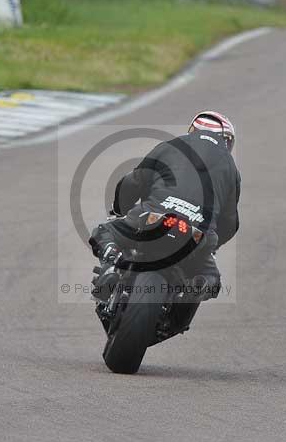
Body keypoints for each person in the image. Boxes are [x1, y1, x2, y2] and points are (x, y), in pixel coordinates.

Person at [89, 111, 241, 303]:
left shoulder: (170, 146)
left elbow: (133, 182)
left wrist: (120, 209)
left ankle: (111, 259)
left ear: (193, 129)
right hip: (197, 231)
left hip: (153, 216)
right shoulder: (231, 170)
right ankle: (198, 286)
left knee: (104, 231)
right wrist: (211, 245)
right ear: (227, 141)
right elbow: (230, 222)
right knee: (212, 278)